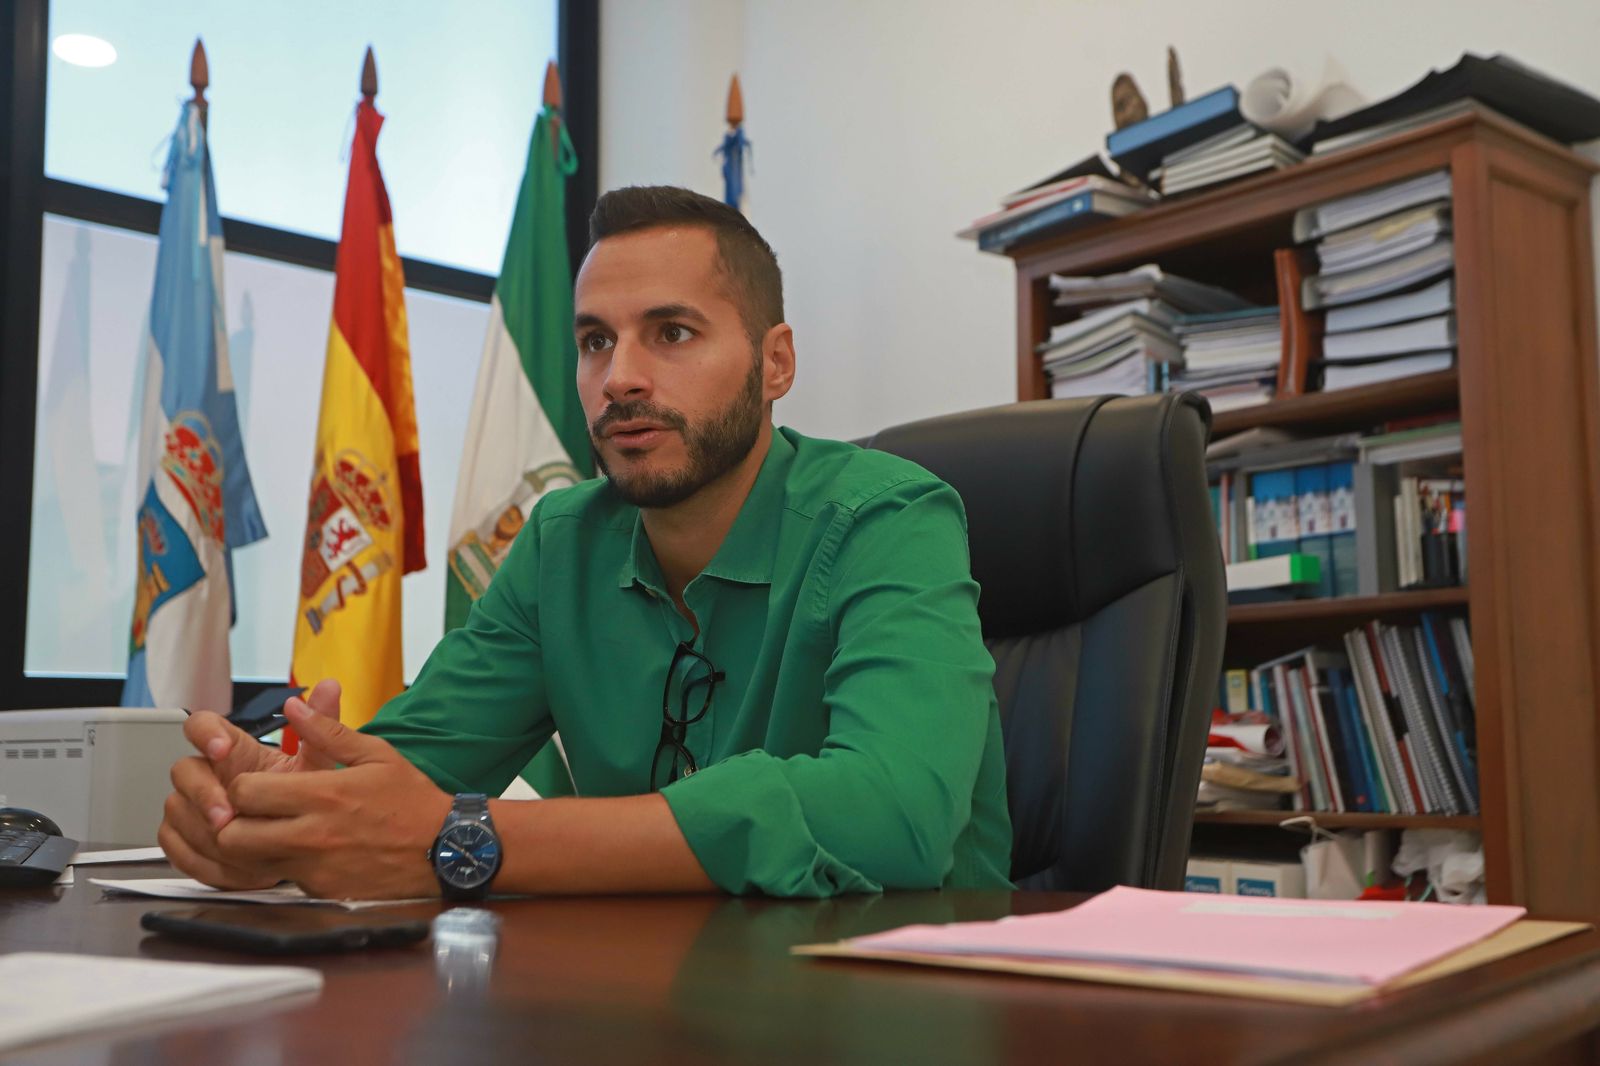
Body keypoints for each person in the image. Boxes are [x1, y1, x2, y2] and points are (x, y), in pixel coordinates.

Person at [161, 186, 1012, 900]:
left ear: (776, 363)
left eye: (672, 333)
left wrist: (472, 842)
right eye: (596, 341)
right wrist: (274, 804)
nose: (621, 377)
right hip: (642, 1002)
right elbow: (408, 777)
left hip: (894, 1006)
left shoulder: (891, 517)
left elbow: (896, 814)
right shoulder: (562, 541)